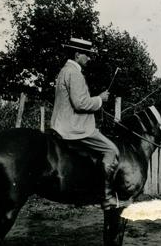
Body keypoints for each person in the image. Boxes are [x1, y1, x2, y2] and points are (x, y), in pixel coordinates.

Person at [50, 37, 120, 209]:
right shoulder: (74, 73)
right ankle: (107, 196)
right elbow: (80, 104)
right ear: (77, 54)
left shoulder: (64, 71)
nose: (89, 58)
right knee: (112, 150)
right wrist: (100, 99)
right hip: (74, 128)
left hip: (61, 125)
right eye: (86, 55)